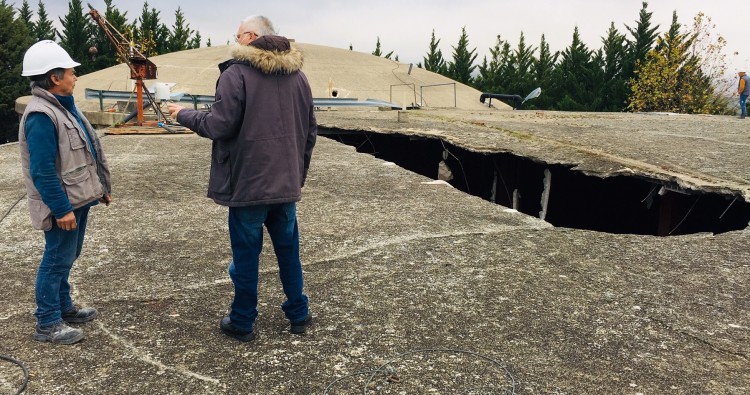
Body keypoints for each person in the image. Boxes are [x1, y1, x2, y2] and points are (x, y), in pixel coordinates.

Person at [167, 15, 317, 342]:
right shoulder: (299, 76)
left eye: (237, 35)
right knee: (289, 252)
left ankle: (242, 320)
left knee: (246, 256)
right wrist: (298, 176)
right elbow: (310, 132)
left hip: (249, 185)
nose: (234, 41)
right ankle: (298, 314)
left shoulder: (236, 74)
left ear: (251, 37)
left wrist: (183, 115)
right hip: (286, 186)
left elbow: (219, 125)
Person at [18, 40, 113, 345]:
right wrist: (61, 209)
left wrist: (100, 190)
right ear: (55, 77)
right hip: (62, 204)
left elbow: (86, 153)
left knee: (68, 255)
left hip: (79, 198)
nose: (75, 76)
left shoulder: (64, 108)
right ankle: (47, 323)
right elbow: (43, 171)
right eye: (71, 71)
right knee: (56, 258)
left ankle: (63, 307)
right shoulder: (41, 116)